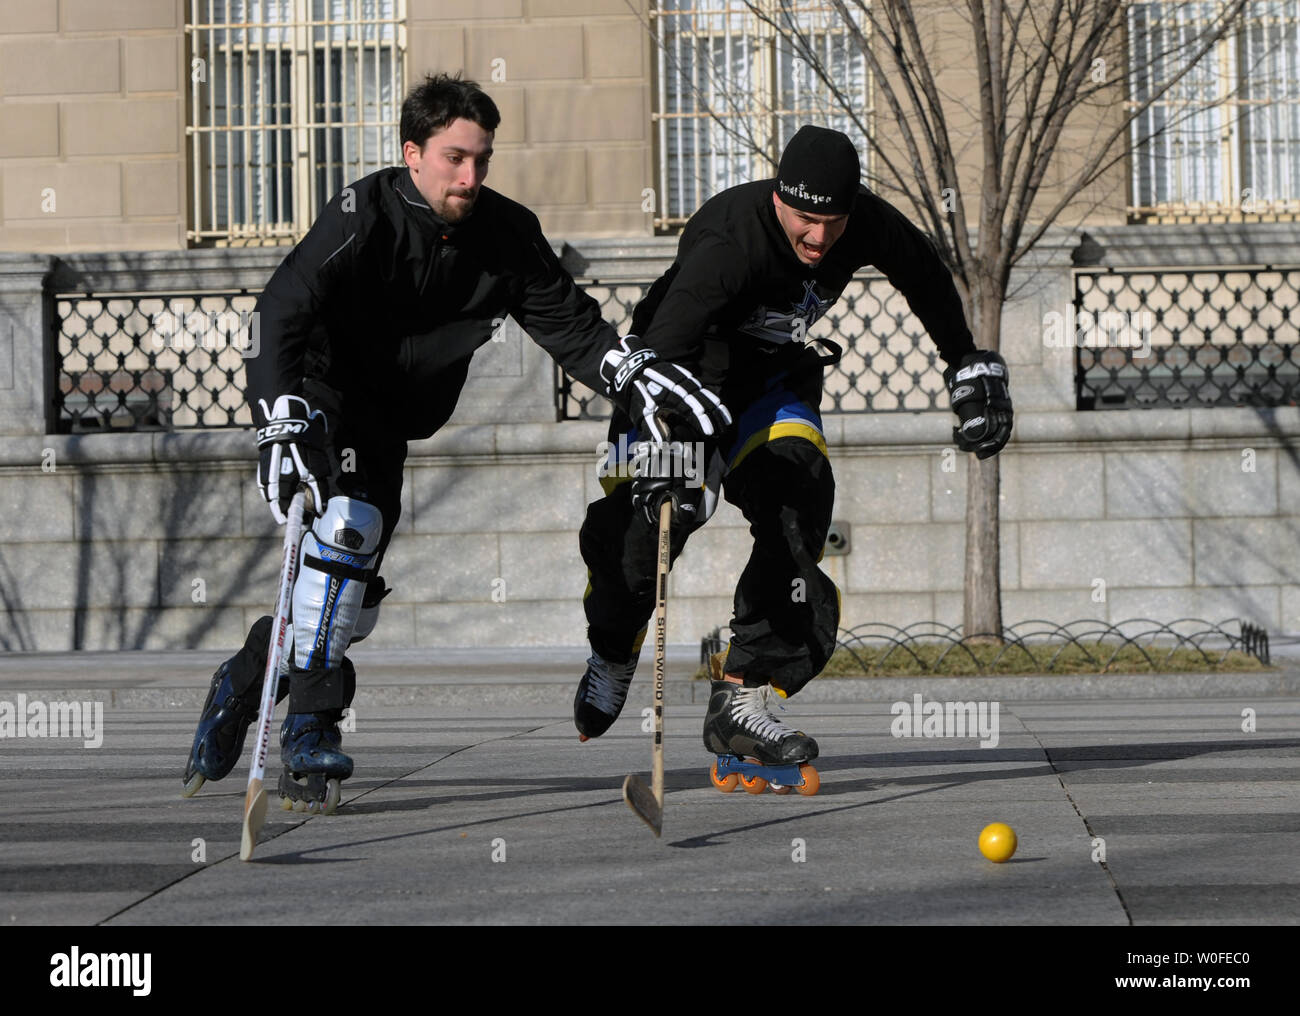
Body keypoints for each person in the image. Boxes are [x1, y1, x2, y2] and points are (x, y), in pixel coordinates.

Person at [181, 73, 729, 812]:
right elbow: (283, 304)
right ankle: (310, 734)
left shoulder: (505, 233)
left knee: (351, 598)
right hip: (322, 393)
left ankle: (244, 679)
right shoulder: (361, 213)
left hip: (391, 416)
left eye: (482, 160)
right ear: (412, 153)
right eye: (453, 158)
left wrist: (632, 374)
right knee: (346, 536)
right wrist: (277, 414)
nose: (470, 176)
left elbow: (569, 326)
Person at [572, 125, 1013, 781]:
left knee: (799, 501)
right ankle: (613, 645)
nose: (818, 239)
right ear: (778, 198)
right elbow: (663, 351)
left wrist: (966, 363)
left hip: (772, 383)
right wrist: (666, 450)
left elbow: (922, 274)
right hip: (682, 379)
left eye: (832, 224)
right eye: (805, 221)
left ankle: (744, 694)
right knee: (654, 526)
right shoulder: (728, 245)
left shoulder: (863, 222)